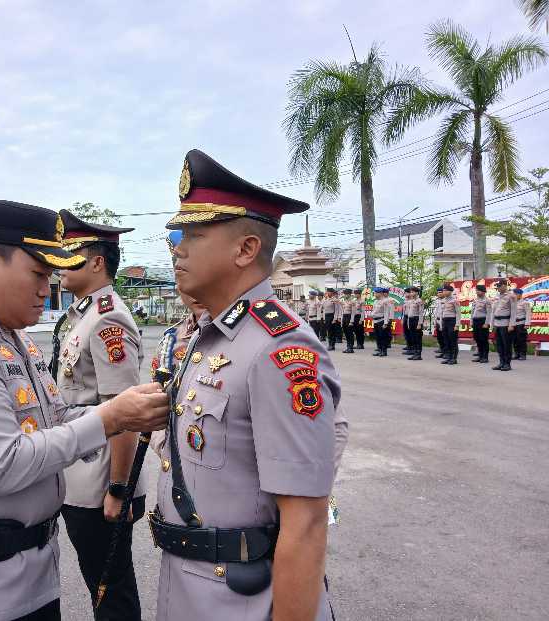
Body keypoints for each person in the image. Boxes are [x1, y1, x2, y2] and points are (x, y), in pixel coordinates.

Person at [0, 200, 169, 621]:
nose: (49, 286)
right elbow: (3, 465)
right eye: (39, 274)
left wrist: (124, 412)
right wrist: (111, 418)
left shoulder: (11, 337)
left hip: (27, 578)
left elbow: (56, 418)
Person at [152, 149, 340, 621]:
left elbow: (307, 521)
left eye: (194, 235)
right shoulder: (211, 336)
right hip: (189, 585)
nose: (178, 247)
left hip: (240, 599)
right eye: (177, 234)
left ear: (245, 249)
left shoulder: (278, 349)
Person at [52, 210, 145, 621]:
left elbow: (125, 411)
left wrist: (119, 489)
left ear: (96, 261)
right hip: (81, 475)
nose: (59, 264)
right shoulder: (81, 314)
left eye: (70, 254)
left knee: (111, 589)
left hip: (102, 482)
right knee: (99, 585)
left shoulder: (108, 318)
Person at [470, 284, 493, 363]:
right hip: (476, 321)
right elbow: (472, 312)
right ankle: (480, 355)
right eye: (476, 290)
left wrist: (486, 323)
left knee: (483, 339)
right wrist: (471, 322)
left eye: (478, 291)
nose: (477, 292)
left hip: (483, 321)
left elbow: (489, 313)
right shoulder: (475, 300)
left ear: (483, 292)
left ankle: (485, 357)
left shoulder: (487, 301)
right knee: (477, 339)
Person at [440, 285, 461, 365]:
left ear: (450, 291)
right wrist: (441, 324)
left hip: (452, 321)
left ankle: (453, 358)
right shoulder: (443, 300)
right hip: (445, 321)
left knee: (453, 340)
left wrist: (457, 324)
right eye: (443, 290)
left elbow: (458, 313)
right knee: (446, 340)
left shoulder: (455, 300)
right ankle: (448, 357)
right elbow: (442, 312)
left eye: (446, 290)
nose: (444, 292)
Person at [371, 287, 392, 356]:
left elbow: (387, 312)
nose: (375, 294)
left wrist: (386, 323)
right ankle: (379, 350)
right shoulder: (375, 301)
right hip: (375, 321)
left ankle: (384, 351)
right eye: (375, 293)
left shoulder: (385, 301)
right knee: (378, 337)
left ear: (380, 293)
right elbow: (374, 311)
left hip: (382, 320)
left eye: (376, 293)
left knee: (383, 337)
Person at [512, 288, 532, 361]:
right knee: (515, 339)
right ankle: (516, 353)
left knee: (522, 339)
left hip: (521, 323)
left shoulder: (525, 303)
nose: (514, 296)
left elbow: (528, 314)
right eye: (513, 294)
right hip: (514, 323)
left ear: (520, 295)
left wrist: (527, 324)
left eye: (515, 294)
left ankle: (523, 354)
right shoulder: (512, 303)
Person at [406, 287, 425, 361]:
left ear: (417, 293)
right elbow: (409, 313)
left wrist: (420, 323)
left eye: (413, 292)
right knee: (413, 338)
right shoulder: (411, 301)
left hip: (416, 320)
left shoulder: (419, 301)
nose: (411, 293)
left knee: (418, 338)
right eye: (410, 292)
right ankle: (415, 353)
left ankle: (418, 354)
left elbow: (421, 313)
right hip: (410, 320)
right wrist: (408, 323)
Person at [340, 288, 355, 353]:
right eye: (345, 294)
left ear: (349, 294)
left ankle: (350, 347)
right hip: (344, 317)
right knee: (346, 333)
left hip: (349, 317)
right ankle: (348, 346)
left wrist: (351, 321)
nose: (345, 295)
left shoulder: (352, 301)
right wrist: (341, 321)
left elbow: (353, 312)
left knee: (350, 333)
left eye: (347, 294)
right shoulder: (343, 301)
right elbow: (342, 311)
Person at [433, 288, 446, 359]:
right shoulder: (437, 301)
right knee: (439, 337)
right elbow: (436, 312)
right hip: (437, 320)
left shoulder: (446, 301)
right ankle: (442, 349)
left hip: (444, 321)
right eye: (438, 292)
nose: (439, 293)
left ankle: (446, 351)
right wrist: (435, 321)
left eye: (441, 292)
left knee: (444, 337)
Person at [401, 288, 412, 355]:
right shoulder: (405, 301)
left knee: (410, 333)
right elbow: (403, 311)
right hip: (405, 317)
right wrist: (402, 318)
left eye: (406, 293)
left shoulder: (413, 301)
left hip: (410, 317)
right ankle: (408, 345)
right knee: (406, 332)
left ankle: (412, 347)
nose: (405, 294)